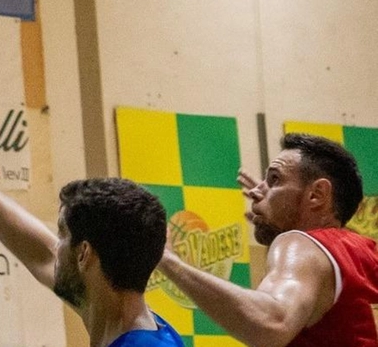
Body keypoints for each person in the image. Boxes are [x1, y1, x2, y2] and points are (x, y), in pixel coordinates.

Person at [0, 103, 183, 347]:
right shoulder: (125, 318)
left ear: (84, 254)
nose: (55, 245)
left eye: (62, 235)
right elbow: (39, 252)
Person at [158, 132, 378, 347]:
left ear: (316, 194)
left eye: (274, 179)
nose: (255, 191)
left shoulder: (300, 244)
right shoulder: (360, 250)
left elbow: (273, 324)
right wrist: (281, 201)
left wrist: (167, 260)